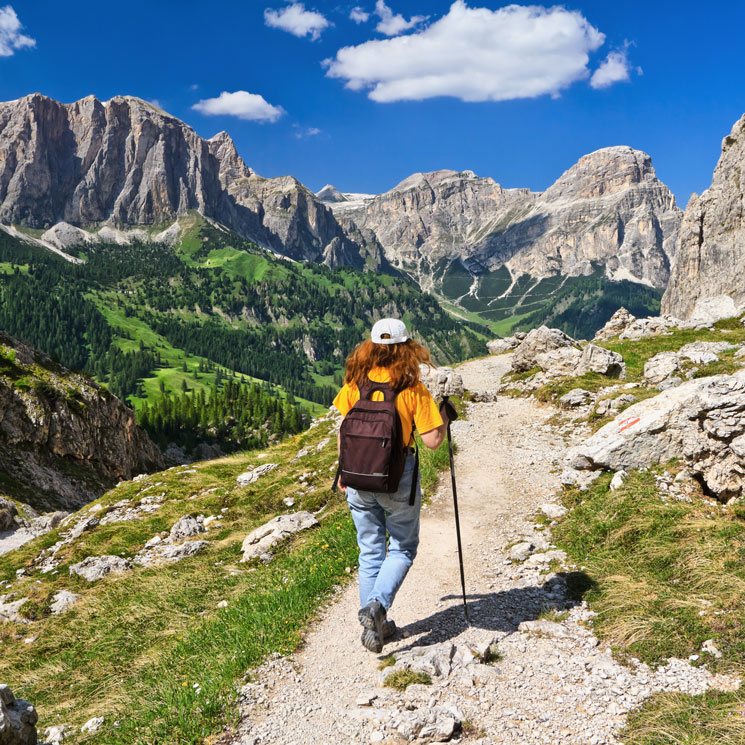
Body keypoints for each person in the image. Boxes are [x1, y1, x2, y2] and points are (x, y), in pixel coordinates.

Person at [333, 318, 451, 653]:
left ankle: (376, 628)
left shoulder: (356, 382)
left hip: (357, 476)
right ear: (406, 348)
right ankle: (377, 609)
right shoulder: (412, 388)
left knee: (370, 551)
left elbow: (346, 426)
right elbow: (431, 441)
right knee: (401, 548)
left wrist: (342, 470)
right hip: (397, 476)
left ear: (370, 347)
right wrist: (444, 417)